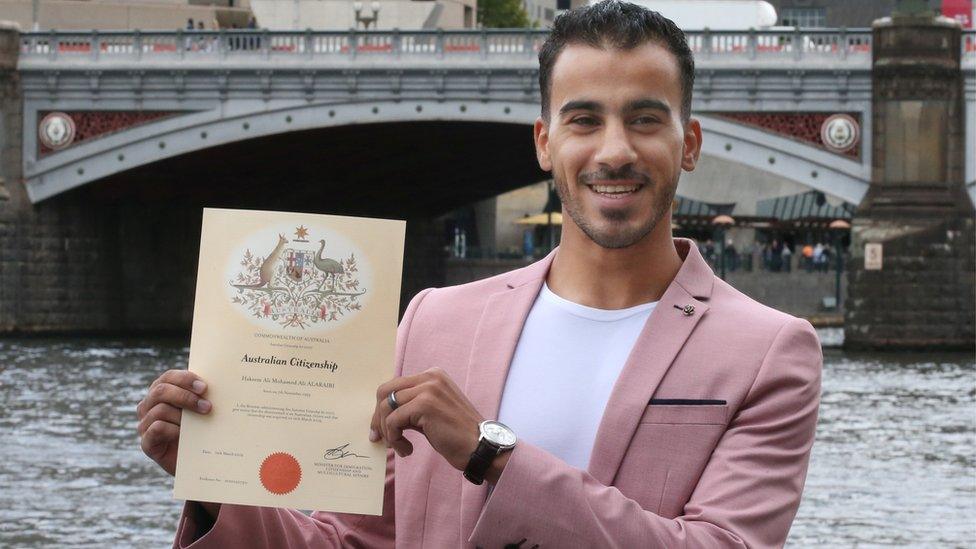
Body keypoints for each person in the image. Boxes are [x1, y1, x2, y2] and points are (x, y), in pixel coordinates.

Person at [136, 2, 822, 547]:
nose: (615, 150)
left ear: (689, 143)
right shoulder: (433, 320)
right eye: (585, 120)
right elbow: (354, 542)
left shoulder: (768, 352)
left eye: (645, 120)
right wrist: (213, 484)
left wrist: (494, 454)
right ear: (545, 142)